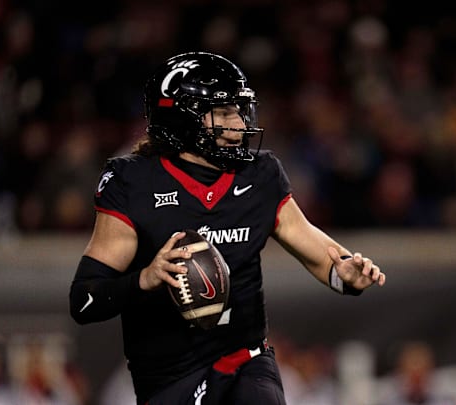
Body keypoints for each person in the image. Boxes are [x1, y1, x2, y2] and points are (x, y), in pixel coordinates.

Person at [68, 51, 386, 405]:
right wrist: (146, 278)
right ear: (181, 119)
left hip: (245, 359)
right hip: (168, 376)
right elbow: (85, 301)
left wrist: (344, 272)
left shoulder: (260, 174)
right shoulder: (134, 182)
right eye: (223, 112)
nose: (237, 123)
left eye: (239, 109)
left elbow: (315, 247)